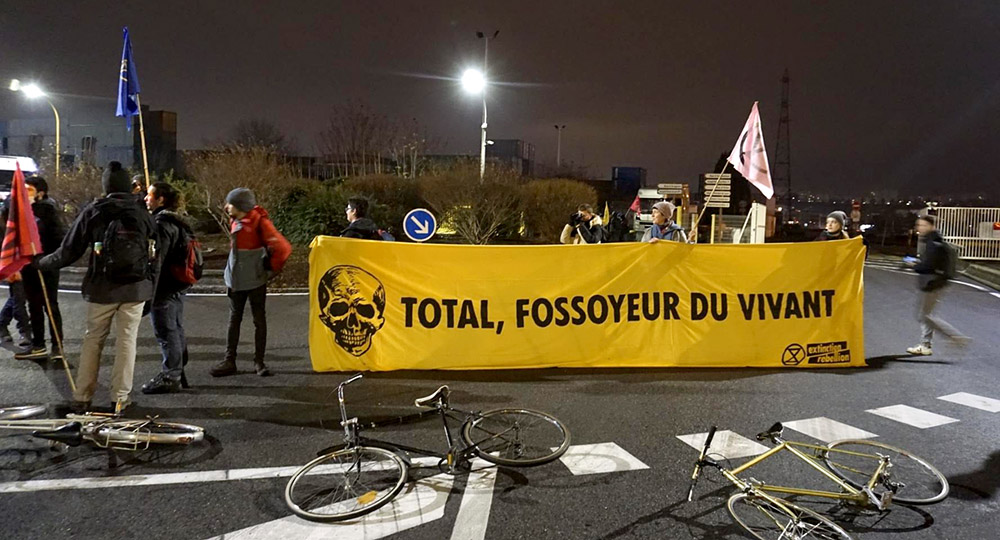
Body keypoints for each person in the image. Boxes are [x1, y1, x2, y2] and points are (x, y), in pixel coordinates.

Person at [36, 161, 156, 412]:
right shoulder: (142, 212)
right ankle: (120, 399)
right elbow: (154, 250)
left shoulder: (95, 211)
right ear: (128, 187)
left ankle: (82, 396)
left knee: (93, 341)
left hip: (102, 288)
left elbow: (69, 250)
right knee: (127, 342)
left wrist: (41, 263)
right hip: (136, 288)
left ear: (105, 186)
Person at [211, 188, 291, 377]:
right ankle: (243, 362)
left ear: (240, 206)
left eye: (230, 203)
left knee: (251, 320)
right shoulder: (238, 219)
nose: (226, 207)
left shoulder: (259, 223)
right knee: (243, 319)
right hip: (239, 279)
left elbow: (283, 248)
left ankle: (252, 361)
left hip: (251, 279)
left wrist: (271, 270)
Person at [140, 182, 192, 394]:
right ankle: (178, 370)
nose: (145, 198)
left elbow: (157, 261)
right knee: (176, 327)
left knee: (165, 330)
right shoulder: (177, 221)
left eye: (150, 195)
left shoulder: (162, 224)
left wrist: (150, 292)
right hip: (178, 282)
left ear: (161, 199)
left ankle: (171, 375)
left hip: (165, 284)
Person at [15, 176, 67, 361]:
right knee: (34, 305)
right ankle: (38, 345)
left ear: (40, 193)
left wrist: (45, 258)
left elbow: (59, 238)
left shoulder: (48, 211)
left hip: (47, 265)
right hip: (28, 266)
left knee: (50, 305)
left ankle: (57, 346)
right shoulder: (19, 210)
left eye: (29, 190)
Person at [905, 215, 970, 356]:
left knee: (924, 316)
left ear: (931, 226)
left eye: (922, 225)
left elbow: (929, 265)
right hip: (936, 282)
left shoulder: (933, 243)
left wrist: (914, 265)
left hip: (932, 283)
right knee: (925, 315)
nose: (919, 228)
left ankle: (954, 336)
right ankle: (925, 345)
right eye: (918, 225)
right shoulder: (934, 241)